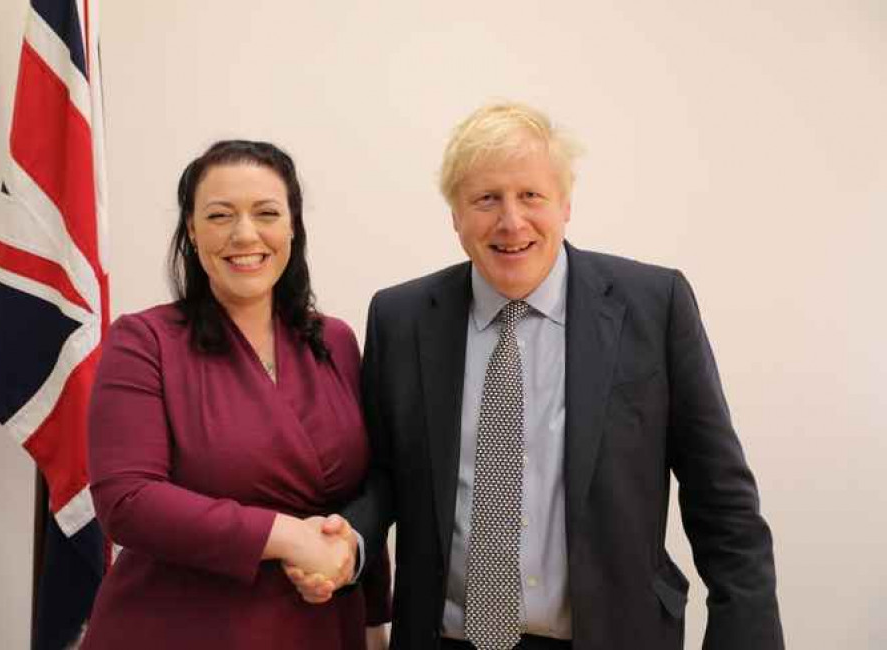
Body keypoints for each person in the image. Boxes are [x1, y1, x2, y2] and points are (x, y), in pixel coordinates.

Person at [288, 103, 784, 649]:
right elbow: (384, 474)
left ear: (566, 203)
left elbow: (723, 502)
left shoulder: (653, 306)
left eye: (530, 195)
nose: (511, 222)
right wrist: (349, 539)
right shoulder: (401, 318)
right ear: (455, 214)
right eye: (485, 199)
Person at [81, 140, 390, 649]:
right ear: (192, 231)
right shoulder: (144, 340)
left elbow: (374, 478)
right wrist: (289, 536)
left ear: (292, 226)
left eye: (266, 213)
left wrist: (350, 566)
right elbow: (127, 501)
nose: (244, 234)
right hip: (180, 628)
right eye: (220, 215)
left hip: (319, 622)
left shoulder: (334, 339)